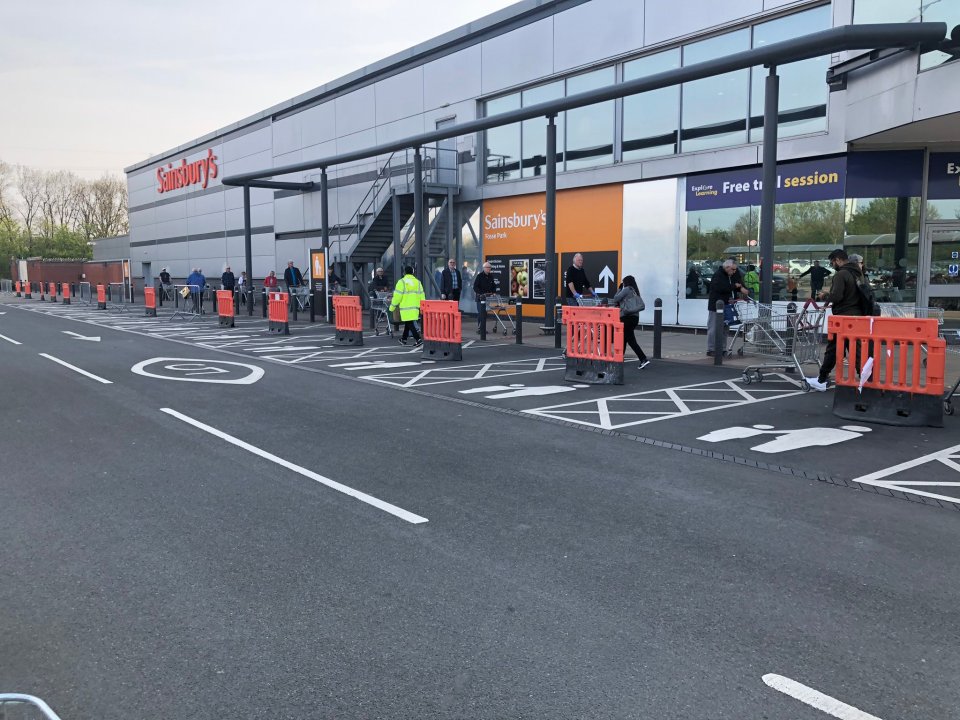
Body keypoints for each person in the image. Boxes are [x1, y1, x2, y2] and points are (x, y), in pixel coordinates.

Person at [805, 249, 865, 392]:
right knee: (855, 349)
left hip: (843, 318)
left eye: (833, 262)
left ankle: (822, 379)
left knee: (833, 348)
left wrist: (825, 296)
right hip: (857, 317)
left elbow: (837, 296)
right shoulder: (857, 273)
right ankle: (865, 379)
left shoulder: (841, 274)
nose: (832, 265)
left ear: (838, 260)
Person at [706, 259, 749, 355]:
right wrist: (734, 286)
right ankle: (711, 349)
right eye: (733, 269)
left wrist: (741, 287)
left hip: (728, 305)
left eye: (735, 270)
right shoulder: (718, 275)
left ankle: (722, 348)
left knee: (725, 327)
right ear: (727, 267)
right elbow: (721, 288)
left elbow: (738, 282)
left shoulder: (732, 275)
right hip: (716, 305)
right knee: (714, 327)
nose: (734, 272)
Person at [612, 275, 649, 369]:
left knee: (631, 341)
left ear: (626, 282)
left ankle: (643, 359)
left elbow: (615, 299)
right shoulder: (635, 291)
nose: (623, 284)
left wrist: (619, 289)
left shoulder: (626, 289)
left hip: (626, 317)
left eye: (623, 282)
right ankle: (620, 358)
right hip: (634, 318)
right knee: (624, 338)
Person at [389, 265, 425, 346]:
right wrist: (423, 306)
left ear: (404, 272)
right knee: (408, 322)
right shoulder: (418, 282)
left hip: (405, 307)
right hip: (415, 307)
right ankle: (404, 339)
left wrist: (392, 307)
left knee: (409, 322)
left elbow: (397, 296)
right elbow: (422, 295)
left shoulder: (401, 282)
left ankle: (418, 339)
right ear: (413, 273)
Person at [473, 261, 498, 333]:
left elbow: (493, 286)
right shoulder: (479, 276)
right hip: (480, 298)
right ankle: (479, 328)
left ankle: (483, 328)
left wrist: (493, 292)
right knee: (481, 313)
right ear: (484, 268)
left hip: (487, 298)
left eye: (490, 267)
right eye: (487, 267)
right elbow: (475, 287)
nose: (489, 269)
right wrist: (482, 294)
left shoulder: (491, 276)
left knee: (485, 313)